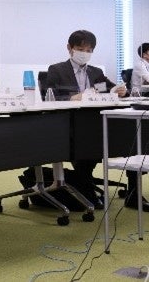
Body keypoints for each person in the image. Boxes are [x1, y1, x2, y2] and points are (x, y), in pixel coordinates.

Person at [44, 29, 133, 210]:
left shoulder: (95, 73)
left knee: (125, 135)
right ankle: (85, 187)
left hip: (93, 122)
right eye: (80, 49)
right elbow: (49, 97)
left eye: (89, 50)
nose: (84, 53)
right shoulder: (57, 70)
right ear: (69, 48)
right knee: (89, 143)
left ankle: (90, 185)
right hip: (68, 123)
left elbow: (110, 89)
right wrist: (71, 98)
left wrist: (121, 91)